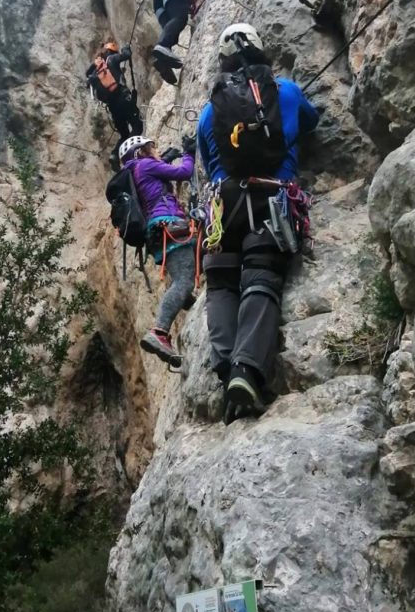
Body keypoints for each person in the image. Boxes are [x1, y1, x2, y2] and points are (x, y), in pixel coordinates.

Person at [196, 23, 320, 425]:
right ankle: (246, 371)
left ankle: (224, 364)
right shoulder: (285, 91)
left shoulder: (209, 111)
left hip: (222, 204)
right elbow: (311, 121)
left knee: (221, 281)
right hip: (272, 195)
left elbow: (206, 158)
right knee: (261, 276)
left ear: (224, 62)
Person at [119, 133, 199, 367]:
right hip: (168, 224)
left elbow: (154, 179)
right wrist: (189, 153)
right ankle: (160, 332)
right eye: (151, 146)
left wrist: (164, 159)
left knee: (184, 277)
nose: (155, 149)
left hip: (154, 233)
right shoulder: (146, 164)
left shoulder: (135, 171)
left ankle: (185, 299)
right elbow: (184, 172)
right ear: (140, 152)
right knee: (184, 280)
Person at [86, 41, 144, 157]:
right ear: (111, 51)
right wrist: (126, 48)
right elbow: (126, 55)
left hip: (112, 107)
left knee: (124, 134)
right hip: (123, 98)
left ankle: (114, 155)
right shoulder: (112, 59)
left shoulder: (95, 72)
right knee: (137, 126)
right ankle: (130, 152)